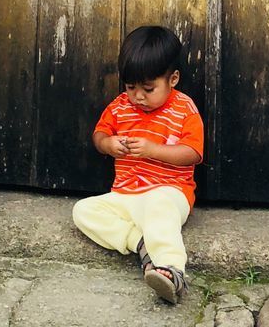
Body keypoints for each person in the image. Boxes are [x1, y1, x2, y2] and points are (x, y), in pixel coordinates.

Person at [72, 25, 204, 305]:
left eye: (148, 89)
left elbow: (193, 152)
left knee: (159, 207)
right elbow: (99, 135)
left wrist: (154, 150)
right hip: (125, 195)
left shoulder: (184, 109)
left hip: (169, 192)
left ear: (174, 79)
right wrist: (109, 145)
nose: (138, 97)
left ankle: (171, 270)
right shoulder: (120, 106)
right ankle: (140, 244)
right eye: (130, 87)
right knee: (83, 211)